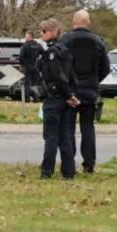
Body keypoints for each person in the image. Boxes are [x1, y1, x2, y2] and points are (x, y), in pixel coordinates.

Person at [60, 10, 111, 173]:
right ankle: (89, 165)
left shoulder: (65, 40)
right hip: (89, 91)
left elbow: (59, 66)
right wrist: (94, 81)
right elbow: (106, 68)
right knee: (88, 127)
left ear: (73, 22)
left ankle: (69, 163)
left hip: (70, 92)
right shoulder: (98, 42)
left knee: (68, 128)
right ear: (88, 22)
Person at [36, 18, 80, 179]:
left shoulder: (51, 53)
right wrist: (72, 94)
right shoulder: (65, 51)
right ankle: (68, 172)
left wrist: (68, 95)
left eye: (44, 31)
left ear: (53, 32)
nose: (41, 34)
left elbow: (58, 77)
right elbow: (72, 77)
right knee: (65, 136)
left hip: (54, 98)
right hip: (65, 99)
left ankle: (46, 171)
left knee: (51, 137)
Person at [19, 30, 43, 102]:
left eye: (26, 36)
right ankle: (36, 98)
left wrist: (22, 64)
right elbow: (44, 54)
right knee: (35, 83)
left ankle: (27, 98)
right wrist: (39, 63)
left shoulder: (25, 45)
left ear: (30, 37)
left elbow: (21, 57)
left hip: (27, 67)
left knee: (27, 83)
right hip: (35, 67)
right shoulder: (38, 45)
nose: (25, 38)